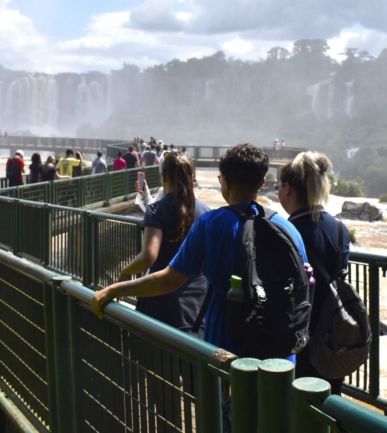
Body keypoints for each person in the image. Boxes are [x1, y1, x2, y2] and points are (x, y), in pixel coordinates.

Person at [92, 143, 308, 359]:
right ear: (261, 183)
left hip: (227, 351)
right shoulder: (288, 229)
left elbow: (168, 280)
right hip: (281, 354)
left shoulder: (211, 224)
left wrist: (115, 289)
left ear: (225, 181)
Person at [277, 151, 350, 395]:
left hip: (296, 337)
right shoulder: (340, 229)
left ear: (288, 188)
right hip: (332, 339)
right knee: (329, 405)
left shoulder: (283, 230)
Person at [116, 153, 210, 335]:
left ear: (164, 176)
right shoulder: (205, 210)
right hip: (198, 302)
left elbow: (148, 257)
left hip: (161, 301)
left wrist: (124, 274)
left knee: (155, 358)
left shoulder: (157, 209)